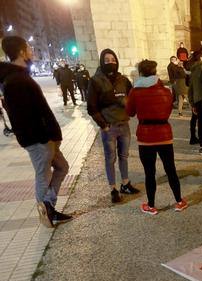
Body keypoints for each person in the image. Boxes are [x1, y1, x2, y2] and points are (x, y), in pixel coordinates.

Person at [0, 36, 72, 227]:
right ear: (22, 52)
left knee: (62, 167)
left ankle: (50, 207)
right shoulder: (16, 80)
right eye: (29, 48)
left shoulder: (20, 76)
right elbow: (22, 116)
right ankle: (45, 214)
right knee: (43, 175)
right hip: (39, 140)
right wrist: (43, 137)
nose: (32, 51)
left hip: (44, 138)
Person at [126, 59, 187, 215]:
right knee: (170, 169)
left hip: (145, 136)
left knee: (149, 172)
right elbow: (168, 109)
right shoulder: (166, 91)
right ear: (155, 72)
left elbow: (130, 112)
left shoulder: (135, 91)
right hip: (164, 134)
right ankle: (179, 201)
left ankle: (151, 205)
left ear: (140, 73)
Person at [87, 48, 140, 203]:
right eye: (107, 60)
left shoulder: (123, 80)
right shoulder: (95, 81)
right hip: (108, 126)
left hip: (124, 125)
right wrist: (103, 125)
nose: (111, 62)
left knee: (124, 156)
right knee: (110, 158)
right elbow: (91, 107)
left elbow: (132, 98)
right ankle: (113, 189)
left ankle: (125, 183)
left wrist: (130, 106)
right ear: (102, 62)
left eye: (113, 60)